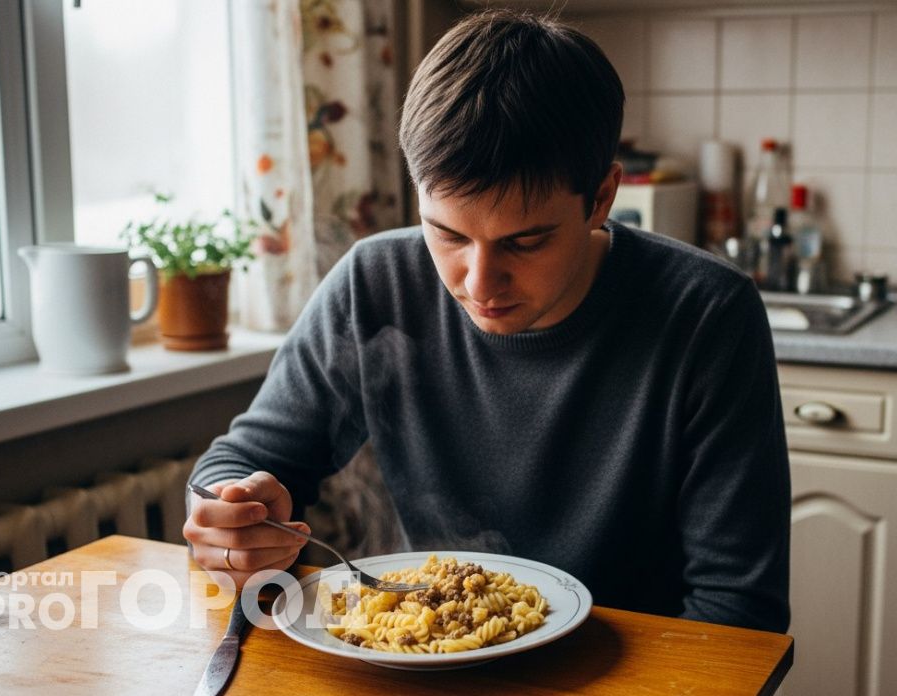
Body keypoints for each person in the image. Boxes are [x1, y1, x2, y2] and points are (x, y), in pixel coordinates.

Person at [184, 9, 791, 633]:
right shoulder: (376, 283)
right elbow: (240, 461)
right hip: (434, 664)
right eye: (445, 233)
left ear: (602, 198)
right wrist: (230, 512)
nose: (477, 284)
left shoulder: (708, 315)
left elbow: (738, 611)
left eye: (525, 243)